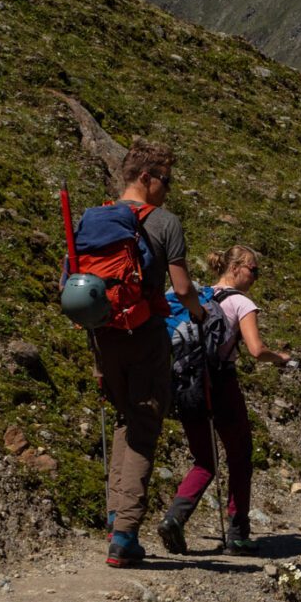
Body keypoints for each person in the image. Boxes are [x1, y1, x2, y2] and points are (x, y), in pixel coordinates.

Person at [97, 141, 207, 569]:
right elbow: (181, 288)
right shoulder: (164, 222)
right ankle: (124, 537)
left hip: (104, 336)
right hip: (144, 333)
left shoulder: (98, 218)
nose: (169, 189)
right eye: (167, 180)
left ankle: (114, 515)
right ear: (146, 177)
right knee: (144, 426)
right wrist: (199, 313)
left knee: (126, 419)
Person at [157, 245, 294, 555]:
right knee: (240, 455)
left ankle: (174, 518)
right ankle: (238, 532)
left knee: (205, 460)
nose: (256, 277)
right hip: (221, 383)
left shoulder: (198, 296)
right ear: (235, 269)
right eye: (253, 270)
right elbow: (257, 350)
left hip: (187, 381)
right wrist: (281, 357)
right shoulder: (242, 302)